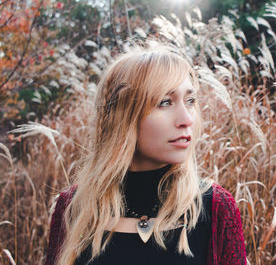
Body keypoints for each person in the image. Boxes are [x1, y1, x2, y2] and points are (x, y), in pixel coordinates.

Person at [45, 46, 246, 265]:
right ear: (124, 115)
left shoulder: (214, 207)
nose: (186, 118)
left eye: (190, 101)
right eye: (165, 102)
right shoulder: (73, 208)